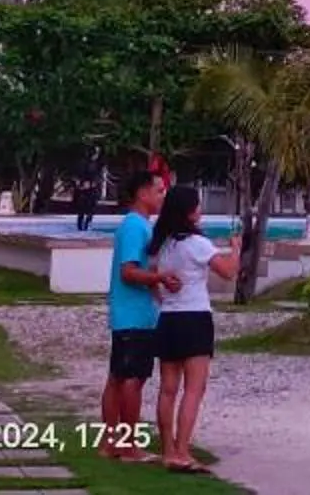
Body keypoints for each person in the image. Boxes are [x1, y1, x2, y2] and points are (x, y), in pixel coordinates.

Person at [149, 185, 237, 475]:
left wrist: (165, 299)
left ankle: (168, 451)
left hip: (169, 319)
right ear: (188, 211)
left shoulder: (163, 244)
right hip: (195, 317)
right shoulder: (198, 243)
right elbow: (228, 271)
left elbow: (154, 281)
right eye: (197, 206)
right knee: (193, 389)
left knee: (168, 389)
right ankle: (183, 451)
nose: (200, 210)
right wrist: (236, 248)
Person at [99, 167, 181, 464]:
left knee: (118, 378)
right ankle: (128, 445)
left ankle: (111, 442)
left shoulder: (137, 225)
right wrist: (160, 278)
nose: (163, 196)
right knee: (132, 379)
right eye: (159, 191)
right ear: (143, 193)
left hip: (129, 314)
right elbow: (129, 271)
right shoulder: (135, 227)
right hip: (135, 316)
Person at [71, 153, 103, 232]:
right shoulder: (88, 164)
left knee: (88, 208)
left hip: (89, 188)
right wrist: (80, 183)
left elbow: (98, 178)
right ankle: (83, 225)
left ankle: (84, 224)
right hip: (86, 188)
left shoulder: (95, 164)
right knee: (86, 208)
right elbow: (76, 176)